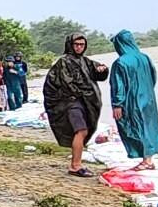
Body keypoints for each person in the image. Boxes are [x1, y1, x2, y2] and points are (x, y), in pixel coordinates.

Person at [42, 32, 109, 177]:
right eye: (76, 44)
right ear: (70, 45)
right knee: (81, 130)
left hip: (83, 102)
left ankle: (76, 163)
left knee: (83, 131)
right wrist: (82, 93)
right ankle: (75, 165)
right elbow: (67, 84)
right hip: (69, 102)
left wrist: (102, 70)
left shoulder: (86, 62)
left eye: (82, 45)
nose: (79, 47)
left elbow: (98, 74)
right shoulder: (63, 62)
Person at [110, 30, 158, 171]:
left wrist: (118, 104)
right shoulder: (145, 58)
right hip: (148, 99)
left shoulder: (121, 62)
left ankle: (146, 160)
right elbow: (153, 77)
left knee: (134, 127)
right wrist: (148, 91)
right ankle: (149, 158)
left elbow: (119, 85)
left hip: (132, 101)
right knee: (149, 127)